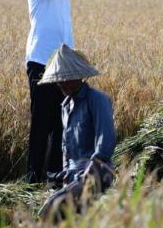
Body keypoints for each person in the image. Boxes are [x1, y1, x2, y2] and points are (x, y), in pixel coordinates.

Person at [26, 0, 132, 183]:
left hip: (63, 66)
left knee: (61, 124)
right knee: (41, 123)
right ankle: (31, 181)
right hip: (42, 62)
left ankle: (54, 179)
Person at [37, 44, 116, 219]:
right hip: (74, 176)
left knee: (51, 208)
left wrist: (92, 169)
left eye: (66, 78)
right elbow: (66, 148)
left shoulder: (97, 100)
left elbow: (107, 139)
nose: (62, 83)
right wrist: (66, 174)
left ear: (79, 77)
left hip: (97, 172)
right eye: (59, 80)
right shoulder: (65, 106)